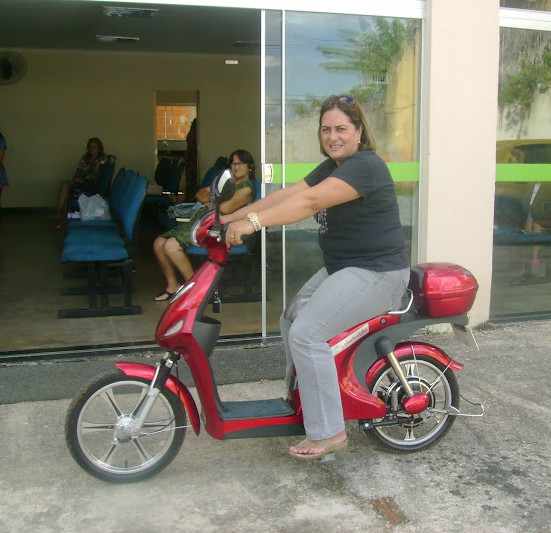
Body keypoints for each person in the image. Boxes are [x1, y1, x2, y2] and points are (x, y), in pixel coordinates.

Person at [224, 95, 409, 461]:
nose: (333, 136)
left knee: (307, 334)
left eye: (341, 128)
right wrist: (226, 218)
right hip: (347, 267)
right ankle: (305, 399)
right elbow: (289, 194)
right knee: (292, 318)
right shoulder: (332, 167)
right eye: (326, 129)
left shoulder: (364, 166)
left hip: (377, 272)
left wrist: (253, 224)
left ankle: (329, 432)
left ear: (359, 132)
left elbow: (308, 204)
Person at [152, 149, 255, 301]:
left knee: (170, 246)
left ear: (250, 167)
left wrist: (210, 201)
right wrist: (212, 202)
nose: (236, 167)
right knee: (158, 243)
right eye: (233, 163)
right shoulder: (226, 181)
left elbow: (226, 209)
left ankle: (197, 290)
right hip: (201, 222)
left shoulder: (246, 189)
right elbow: (199, 194)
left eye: (241, 163)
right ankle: (173, 285)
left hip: (218, 229)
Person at [52, 137, 108, 224]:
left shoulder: (101, 159)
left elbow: (95, 174)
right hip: (80, 182)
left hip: (91, 185)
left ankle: (60, 212)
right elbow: (78, 171)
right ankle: (60, 212)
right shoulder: (84, 158)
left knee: (66, 186)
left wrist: (98, 164)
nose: (92, 149)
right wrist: (77, 179)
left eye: (94, 147)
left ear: (99, 148)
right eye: (90, 147)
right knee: (66, 185)